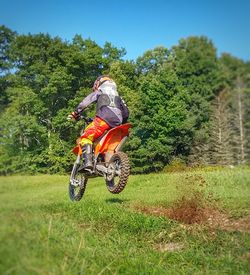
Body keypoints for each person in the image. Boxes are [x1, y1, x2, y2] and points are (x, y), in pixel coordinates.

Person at [67, 75, 129, 170]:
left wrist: (76, 112)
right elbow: (126, 112)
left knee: (86, 137)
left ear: (98, 83)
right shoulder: (118, 96)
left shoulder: (101, 91)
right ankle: (109, 169)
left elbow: (86, 102)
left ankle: (88, 163)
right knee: (109, 149)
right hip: (117, 124)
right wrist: (121, 122)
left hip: (103, 119)